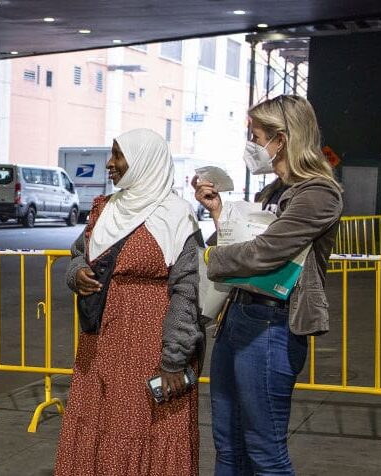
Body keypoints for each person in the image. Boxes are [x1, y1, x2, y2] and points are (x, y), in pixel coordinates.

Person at [196, 95, 343, 475]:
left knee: (265, 451)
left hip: (273, 326)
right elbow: (244, 245)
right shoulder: (273, 191)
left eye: (256, 135)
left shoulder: (319, 194)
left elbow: (265, 253)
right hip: (239, 316)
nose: (252, 144)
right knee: (228, 446)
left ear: (281, 138)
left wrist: (211, 259)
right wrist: (219, 215)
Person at [54, 128, 203, 475]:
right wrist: (76, 272)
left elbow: (188, 291)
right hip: (101, 343)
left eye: (118, 155)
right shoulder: (105, 209)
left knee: (138, 428)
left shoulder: (176, 216)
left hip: (149, 346)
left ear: (142, 161)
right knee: (100, 423)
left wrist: (173, 359)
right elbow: (79, 252)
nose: (110, 163)